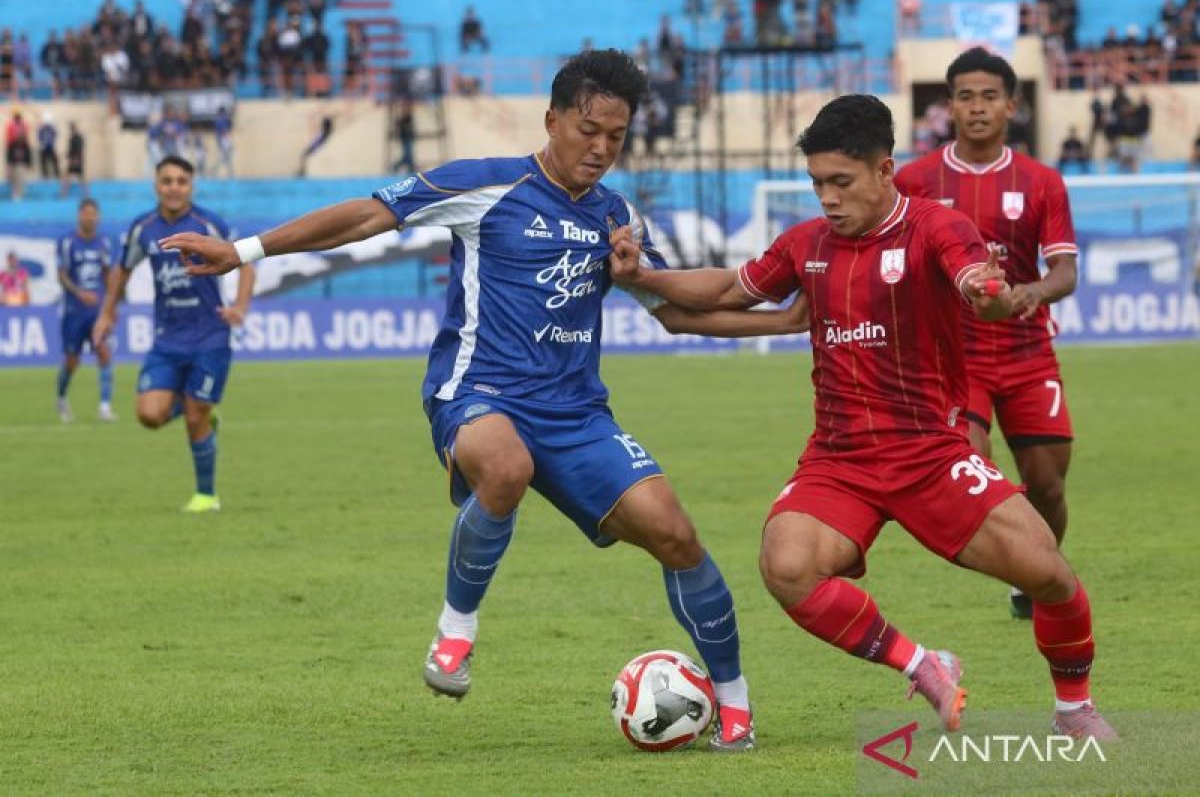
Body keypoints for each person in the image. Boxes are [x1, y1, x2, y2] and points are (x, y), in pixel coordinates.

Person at [159, 49, 810, 752]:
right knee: (504, 468)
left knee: (677, 535)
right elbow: (366, 218)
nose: (600, 148)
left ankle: (736, 708)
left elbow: (672, 312)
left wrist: (784, 320)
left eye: (616, 137)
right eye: (587, 129)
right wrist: (245, 250)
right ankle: (455, 631)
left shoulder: (619, 215)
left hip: (577, 413)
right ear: (552, 118)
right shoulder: (486, 184)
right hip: (477, 389)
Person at [607, 94, 1116, 741]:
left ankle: (1074, 708)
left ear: (885, 170)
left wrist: (985, 291)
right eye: (817, 183)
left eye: (840, 182)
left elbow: (971, 276)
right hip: (840, 459)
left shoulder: (935, 226)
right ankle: (921, 664)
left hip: (932, 454)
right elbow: (732, 288)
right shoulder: (807, 244)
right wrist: (647, 277)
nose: (826, 197)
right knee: (786, 566)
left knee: (1050, 574)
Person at [894, 47, 1080, 620]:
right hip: (955, 359)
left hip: (1027, 353)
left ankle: (1037, 579)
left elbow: (1066, 272)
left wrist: (1032, 293)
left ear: (1011, 106)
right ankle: (1022, 559)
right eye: (966, 96)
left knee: (1047, 485)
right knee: (975, 468)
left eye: (989, 96)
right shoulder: (915, 180)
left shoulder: (1042, 182)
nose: (977, 108)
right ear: (948, 106)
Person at [93, 155, 255, 513]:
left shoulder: (207, 224)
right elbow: (121, 270)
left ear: (191, 186)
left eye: (181, 181)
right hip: (167, 338)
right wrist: (107, 314)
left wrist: (240, 308)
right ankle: (197, 405)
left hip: (211, 335)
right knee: (149, 415)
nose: (174, 187)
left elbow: (247, 263)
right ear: (156, 186)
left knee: (196, 417)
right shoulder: (143, 228)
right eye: (167, 181)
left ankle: (206, 496)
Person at [56, 199, 117, 423]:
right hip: (74, 311)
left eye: (93, 214)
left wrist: (110, 307)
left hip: (97, 311)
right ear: (79, 215)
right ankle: (61, 398)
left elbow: (109, 275)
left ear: (98, 217)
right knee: (72, 360)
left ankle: (104, 406)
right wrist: (79, 292)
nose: (90, 217)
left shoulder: (104, 243)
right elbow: (61, 274)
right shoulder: (67, 242)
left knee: (104, 353)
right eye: (86, 213)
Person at [61, 121, 86, 197]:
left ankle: (64, 193)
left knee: (71, 176)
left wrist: (74, 158)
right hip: (76, 159)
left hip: (75, 159)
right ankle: (85, 193)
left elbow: (77, 149)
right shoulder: (76, 137)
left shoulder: (76, 138)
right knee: (79, 176)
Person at [38, 112, 60, 180]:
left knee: (54, 161)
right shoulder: (42, 129)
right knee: (44, 162)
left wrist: (51, 142)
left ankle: (56, 174)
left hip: (50, 147)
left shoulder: (51, 128)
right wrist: (43, 143)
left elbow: (55, 135)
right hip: (44, 147)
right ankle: (45, 176)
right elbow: (39, 137)